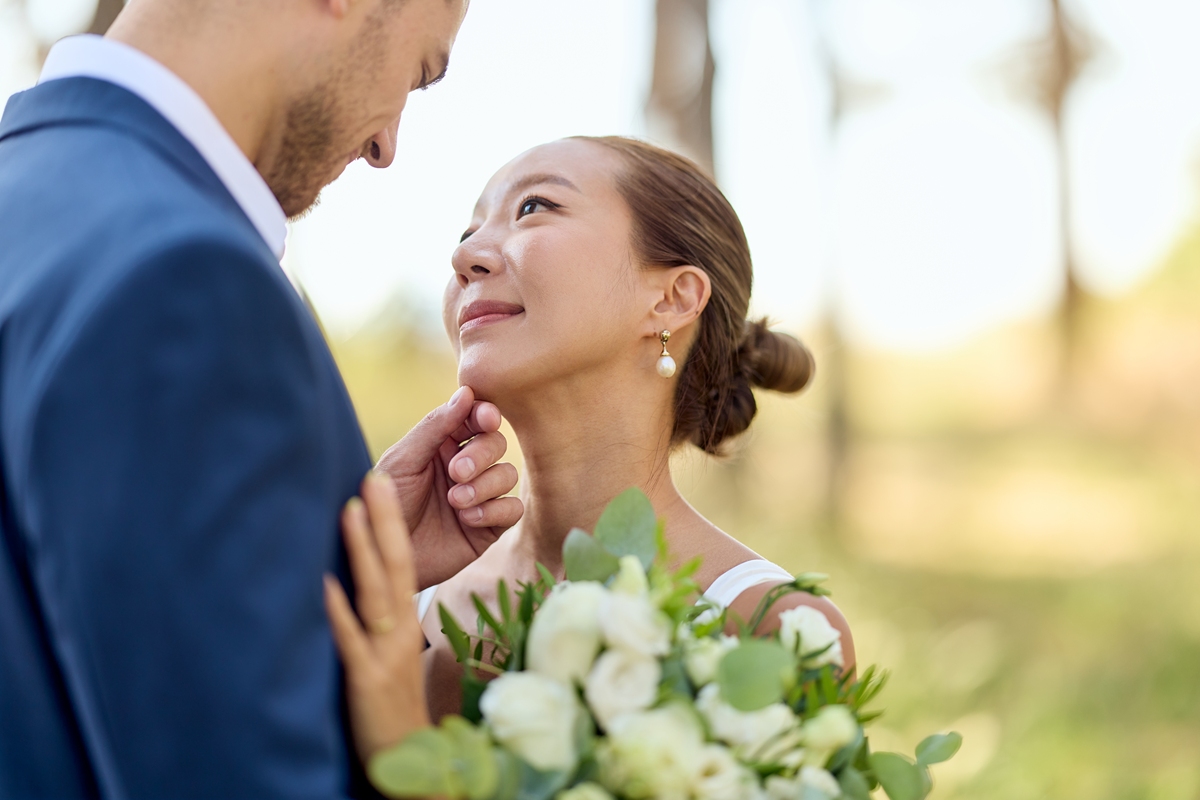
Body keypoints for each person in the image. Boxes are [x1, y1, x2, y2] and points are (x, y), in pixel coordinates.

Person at [0, 0, 519, 797]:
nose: (386, 143)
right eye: (416, 75)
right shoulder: (186, 278)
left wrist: (326, 558)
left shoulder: (30, 191)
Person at [326, 136, 857, 732]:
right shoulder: (408, 599)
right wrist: (366, 565)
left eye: (532, 207)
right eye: (465, 234)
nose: (465, 256)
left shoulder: (774, 630)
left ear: (671, 297)